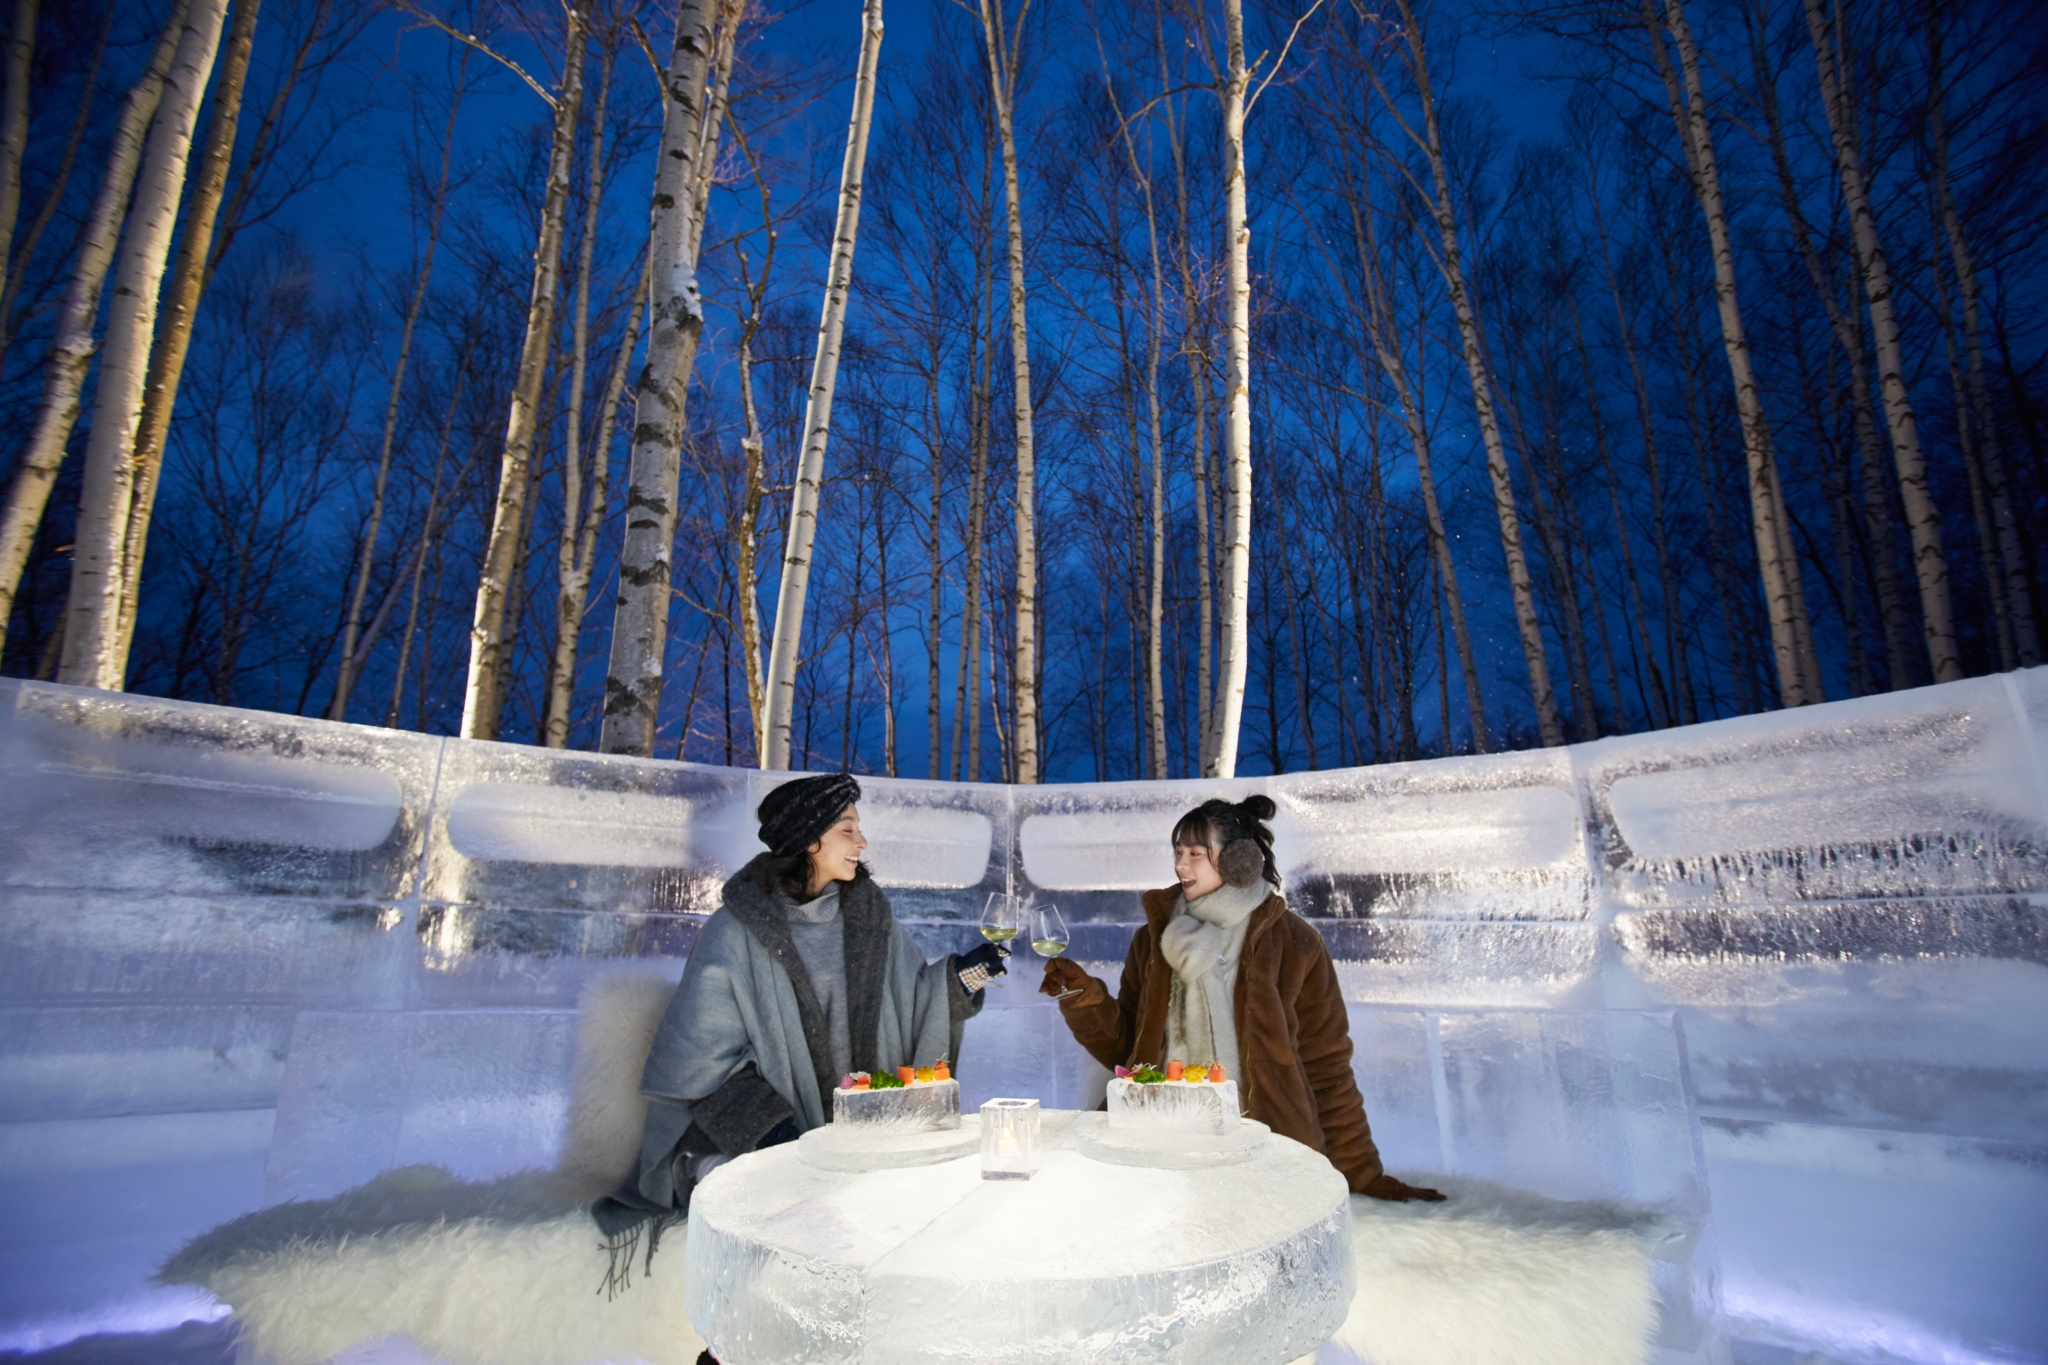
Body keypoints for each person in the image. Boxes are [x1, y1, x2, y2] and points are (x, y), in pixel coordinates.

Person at [593, 772, 1008, 1299]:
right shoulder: (736, 931)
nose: (862, 842)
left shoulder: (869, 918)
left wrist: (961, 979)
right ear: (809, 839)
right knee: (782, 1209)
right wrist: (775, 1135)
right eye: (847, 829)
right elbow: (700, 1060)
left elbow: (912, 995)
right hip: (764, 1139)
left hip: (857, 1138)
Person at [1040, 794, 1443, 1203]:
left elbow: (1326, 1066)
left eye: (1196, 854)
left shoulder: (1294, 943)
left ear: (1240, 859)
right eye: (1178, 852)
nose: (1181, 865)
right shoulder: (1151, 941)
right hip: (1157, 1146)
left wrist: (1359, 1171)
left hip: (1265, 1153)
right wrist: (1085, 998)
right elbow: (1127, 1051)